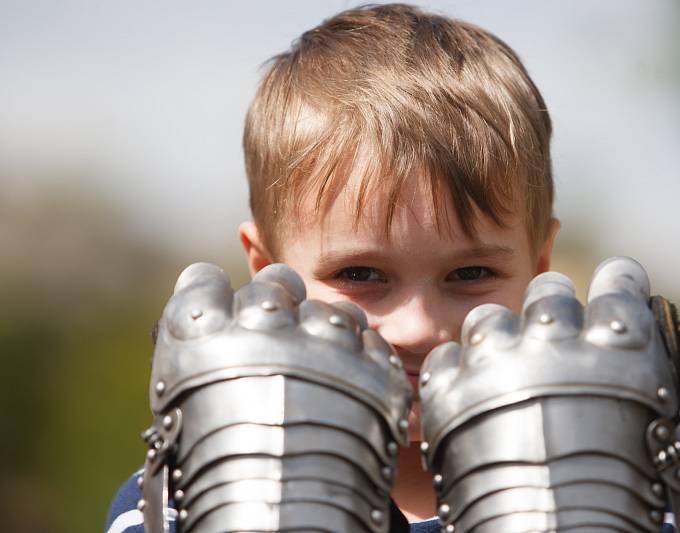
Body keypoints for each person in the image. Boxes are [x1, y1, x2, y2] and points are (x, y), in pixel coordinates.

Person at [108, 3, 575, 531]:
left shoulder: (615, 486)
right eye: (360, 274)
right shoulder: (191, 492)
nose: (419, 327)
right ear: (269, 275)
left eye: (470, 274)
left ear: (539, 271)